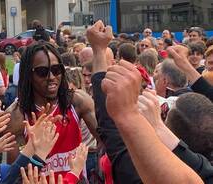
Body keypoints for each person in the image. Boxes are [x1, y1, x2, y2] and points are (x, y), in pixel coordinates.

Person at [87, 20, 213, 184]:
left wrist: (98, 50)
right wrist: (187, 67)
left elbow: (110, 126)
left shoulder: (138, 171)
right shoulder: (206, 171)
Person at [5, 42, 98, 182]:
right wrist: (35, 147)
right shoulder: (16, 116)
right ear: (28, 75)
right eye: (42, 72)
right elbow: (15, 176)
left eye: (56, 69)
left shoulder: (77, 101)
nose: (52, 77)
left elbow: (106, 141)